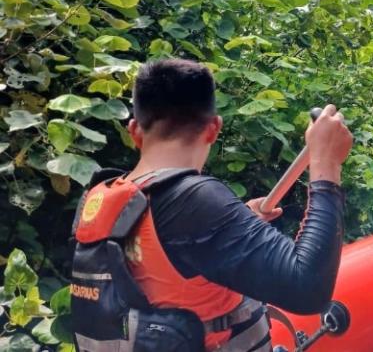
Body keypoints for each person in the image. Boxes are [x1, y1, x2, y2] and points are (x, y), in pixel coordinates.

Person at [70, 59, 353, 351]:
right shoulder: (194, 202)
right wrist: (326, 163)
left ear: (134, 131)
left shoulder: (102, 199)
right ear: (213, 129)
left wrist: (237, 220)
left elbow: (163, 261)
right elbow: (308, 290)